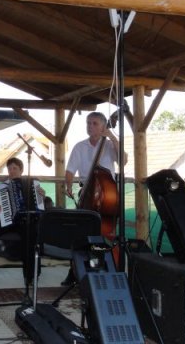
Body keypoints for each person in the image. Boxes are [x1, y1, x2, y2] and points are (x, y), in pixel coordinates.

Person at [62, 111, 127, 285]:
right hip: (86, 192)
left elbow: (123, 161)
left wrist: (112, 137)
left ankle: (109, 268)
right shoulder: (79, 146)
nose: (90, 126)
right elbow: (70, 170)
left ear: (104, 126)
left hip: (105, 195)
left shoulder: (110, 144)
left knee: (106, 233)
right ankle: (74, 271)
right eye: (88, 123)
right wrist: (68, 185)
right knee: (80, 233)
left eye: (94, 123)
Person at [0, 157, 44, 284]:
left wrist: (41, 196)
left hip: (25, 220)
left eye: (15, 168)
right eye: (9, 169)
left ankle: (31, 276)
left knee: (32, 234)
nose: (12, 171)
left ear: (21, 170)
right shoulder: (1, 186)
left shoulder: (33, 185)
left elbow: (39, 206)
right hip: (6, 218)